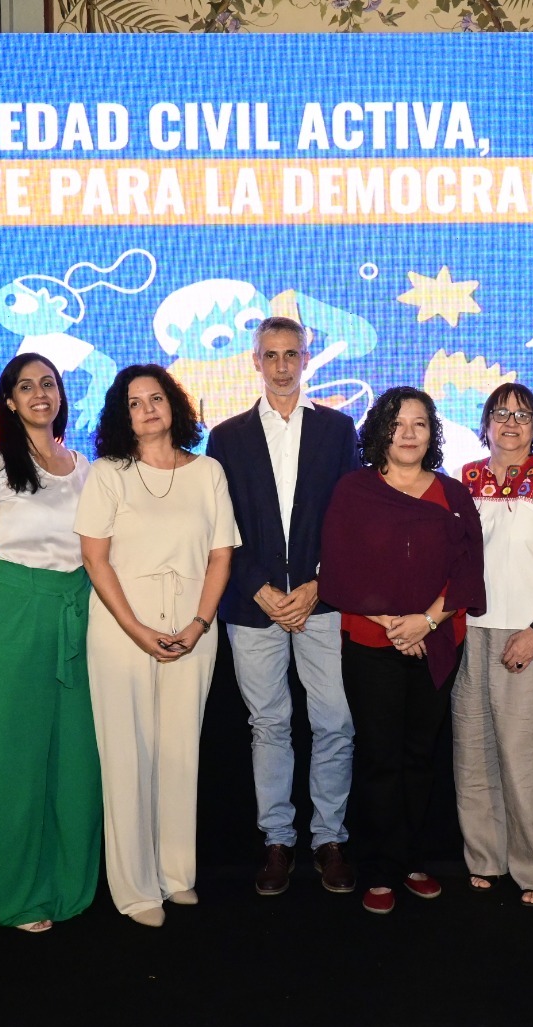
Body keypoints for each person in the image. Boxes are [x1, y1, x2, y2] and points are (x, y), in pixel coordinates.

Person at [74, 364, 238, 928]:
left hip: (194, 622)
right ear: (121, 414)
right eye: (134, 402)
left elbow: (221, 555)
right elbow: (95, 559)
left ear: (175, 405)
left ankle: (175, 876)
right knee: (127, 753)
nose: (147, 408)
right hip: (124, 625)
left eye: (156, 398)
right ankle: (135, 887)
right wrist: (136, 629)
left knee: (179, 751)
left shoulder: (209, 471)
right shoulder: (106, 474)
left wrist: (198, 622)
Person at [206, 317, 360, 896]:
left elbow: (349, 523)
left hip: (322, 604)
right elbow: (222, 527)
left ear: (305, 357)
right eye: (269, 355)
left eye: (291, 353)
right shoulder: (227, 436)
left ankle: (329, 839)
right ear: (254, 360)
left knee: (334, 723)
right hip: (254, 607)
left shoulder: (339, 430)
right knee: (268, 725)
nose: (281, 365)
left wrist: (319, 584)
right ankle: (277, 840)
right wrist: (260, 590)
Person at [320, 387, 486, 915]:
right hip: (372, 643)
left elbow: (468, 570)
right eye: (398, 423)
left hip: (437, 639)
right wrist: (392, 624)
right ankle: (379, 869)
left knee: (420, 756)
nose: (409, 432)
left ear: (432, 432)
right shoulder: (354, 490)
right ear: (380, 432)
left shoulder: (453, 494)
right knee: (379, 758)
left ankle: (412, 859)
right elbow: (339, 569)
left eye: (419, 423)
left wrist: (426, 621)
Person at [0, 354, 100, 934]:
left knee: (75, 760)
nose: (40, 393)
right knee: (11, 759)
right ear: (8, 400)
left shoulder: (85, 466)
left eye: (49, 383)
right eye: (26, 386)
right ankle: (13, 893)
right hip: (11, 614)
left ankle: (68, 884)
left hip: (79, 612)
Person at [452, 383, 533, 907]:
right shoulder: (466, 479)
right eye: (501, 413)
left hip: (532, 635)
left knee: (525, 761)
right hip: (474, 634)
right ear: (485, 423)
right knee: (473, 755)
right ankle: (485, 859)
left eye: (523, 415)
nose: (511, 422)